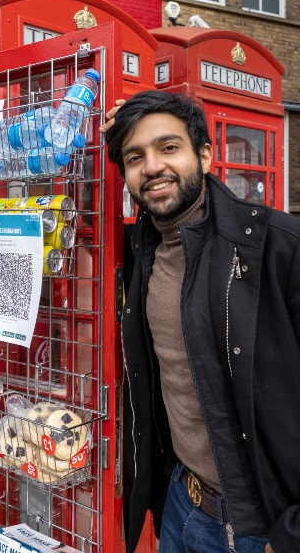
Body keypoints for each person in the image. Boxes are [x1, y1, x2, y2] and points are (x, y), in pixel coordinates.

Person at [100, 91, 299, 553]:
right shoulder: (138, 252)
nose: (152, 167)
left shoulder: (280, 249)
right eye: (135, 157)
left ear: (205, 155)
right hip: (180, 507)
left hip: (264, 528)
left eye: (168, 148)